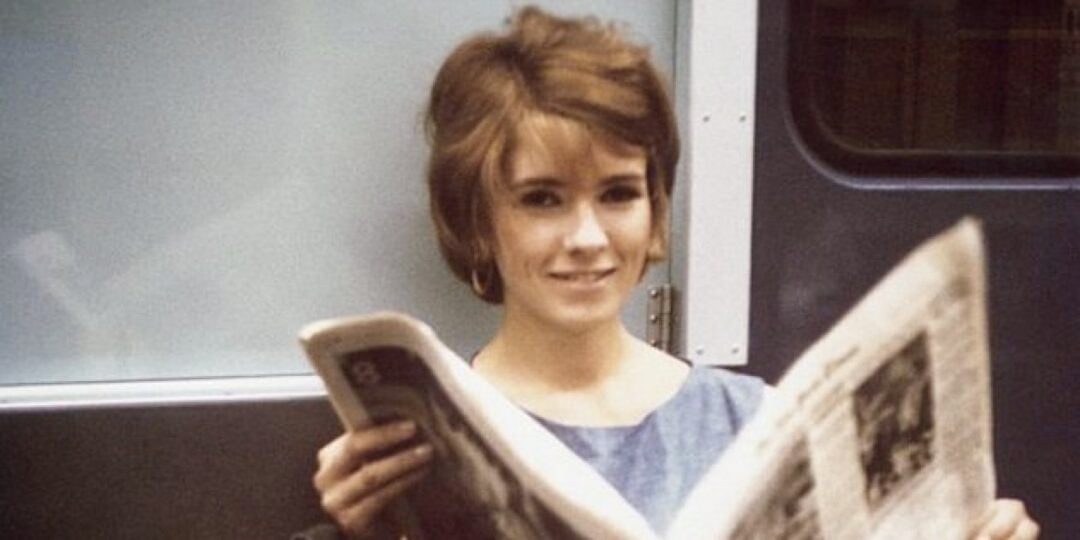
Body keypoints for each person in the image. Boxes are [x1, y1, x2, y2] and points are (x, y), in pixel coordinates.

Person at [309, 6, 1039, 539]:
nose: (588, 238)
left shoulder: (753, 422)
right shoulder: (420, 446)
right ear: (477, 222)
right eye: (542, 199)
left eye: (618, 194)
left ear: (656, 212)